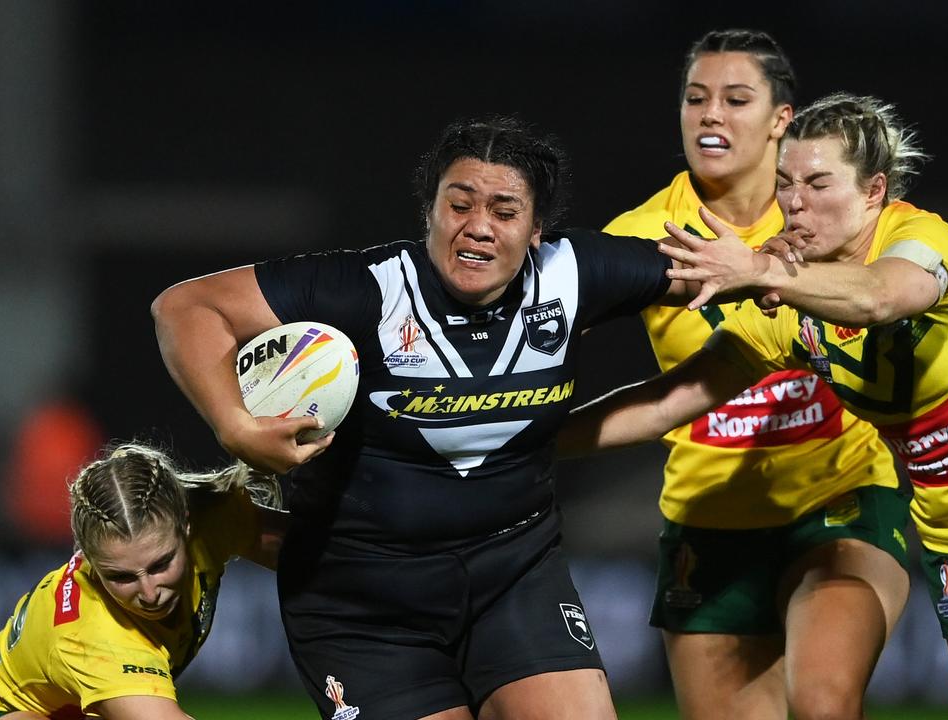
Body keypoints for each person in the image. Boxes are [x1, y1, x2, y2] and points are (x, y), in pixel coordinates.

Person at [565, 93, 948, 719]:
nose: (796, 202)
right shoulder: (788, 311)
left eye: (820, 182)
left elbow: (882, 297)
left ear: (874, 190)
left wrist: (766, 274)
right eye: (786, 184)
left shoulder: (922, 239)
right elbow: (671, 401)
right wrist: (531, 435)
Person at [150, 116, 723, 720]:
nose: (478, 227)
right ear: (431, 211)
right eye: (460, 204)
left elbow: (737, 276)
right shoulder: (364, 289)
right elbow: (185, 306)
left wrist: (766, 274)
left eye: (504, 211)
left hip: (514, 578)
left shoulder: (574, 272)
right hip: (364, 605)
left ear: (536, 231)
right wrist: (234, 425)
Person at [601, 30, 909, 720]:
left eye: (736, 99)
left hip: (839, 496)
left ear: (780, 120)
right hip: (707, 518)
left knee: (824, 700)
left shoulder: (827, 211)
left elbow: (894, 290)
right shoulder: (638, 236)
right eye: (695, 98)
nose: (710, 114)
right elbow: (548, 330)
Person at [0, 443, 287, 720]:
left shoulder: (213, 521)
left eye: (161, 564)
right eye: (121, 577)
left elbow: (319, 557)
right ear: (88, 559)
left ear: (187, 525)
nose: (149, 593)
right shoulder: (92, 635)